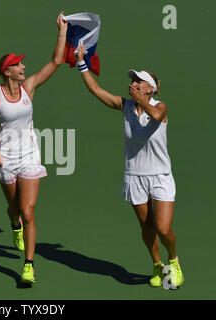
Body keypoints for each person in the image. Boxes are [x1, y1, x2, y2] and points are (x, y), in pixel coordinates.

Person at [74, 45, 184, 289]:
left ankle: (173, 262)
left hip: (160, 176)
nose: (133, 83)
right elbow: (95, 90)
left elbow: (155, 116)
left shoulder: (160, 106)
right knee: (146, 228)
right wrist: (82, 63)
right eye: (132, 80)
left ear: (150, 88)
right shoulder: (124, 106)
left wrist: (142, 101)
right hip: (135, 176)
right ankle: (157, 265)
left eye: (138, 81)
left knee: (164, 229)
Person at [0, 12, 67, 285]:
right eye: (18, 65)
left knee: (29, 211)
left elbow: (56, 61)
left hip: (29, 156)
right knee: (14, 209)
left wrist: (61, 30)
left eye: (23, 64)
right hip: (6, 158)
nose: (24, 67)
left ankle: (29, 266)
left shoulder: (29, 88)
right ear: (7, 71)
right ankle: (14, 225)